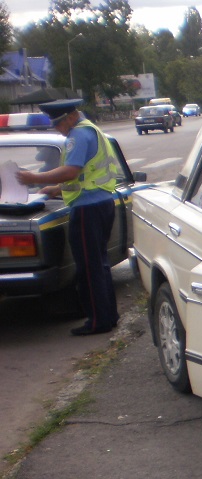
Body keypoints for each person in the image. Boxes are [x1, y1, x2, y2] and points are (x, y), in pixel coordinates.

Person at [18, 100, 122, 336]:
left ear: (70, 117)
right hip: (101, 202)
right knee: (100, 264)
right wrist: (56, 189)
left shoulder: (78, 135)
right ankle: (108, 315)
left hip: (88, 209)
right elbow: (85, 173)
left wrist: (32, 177)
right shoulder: (91, 130)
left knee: (88, 267)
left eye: (58, 123)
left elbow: (71, 170)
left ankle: (97, 322)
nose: (58, 129)